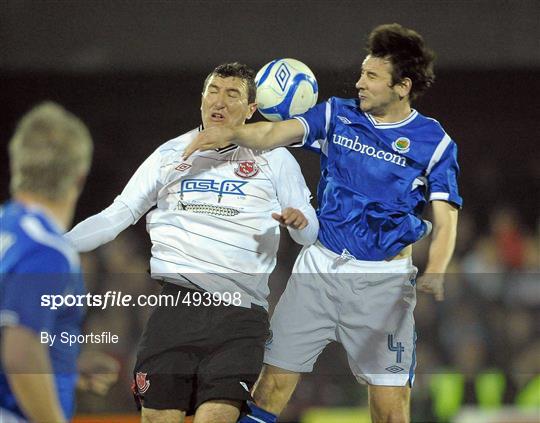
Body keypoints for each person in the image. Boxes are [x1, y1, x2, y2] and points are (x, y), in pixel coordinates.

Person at [184, 24, 462, 423]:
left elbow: (446, 216)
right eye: (361, 73)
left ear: (402, 86)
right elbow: (275, 131)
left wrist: (436, 269)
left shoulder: (434, 143)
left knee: (390, 409)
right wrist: (230, 132)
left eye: (371, 76)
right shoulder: (338, 114)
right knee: (270, 387)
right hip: (319, 268)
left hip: (382, 286)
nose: (359, 83)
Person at [65, 62, 318, 423]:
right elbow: (117, 214)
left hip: (240, 315)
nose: (219, 100)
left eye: (232, 94)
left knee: (215, 417)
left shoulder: (276, 159)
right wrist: (59, 244)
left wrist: (299, 222)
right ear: (201, 99)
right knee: (157, 419)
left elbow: (309, 234)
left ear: (250, 110)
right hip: (176, 307)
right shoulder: (169, 154)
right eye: (213, 91)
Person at [0, 102, 93, 422]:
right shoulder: (47, 251)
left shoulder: (6, 230)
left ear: (17, 165)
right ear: (78, 177)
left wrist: (63, 368)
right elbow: (20, 352)